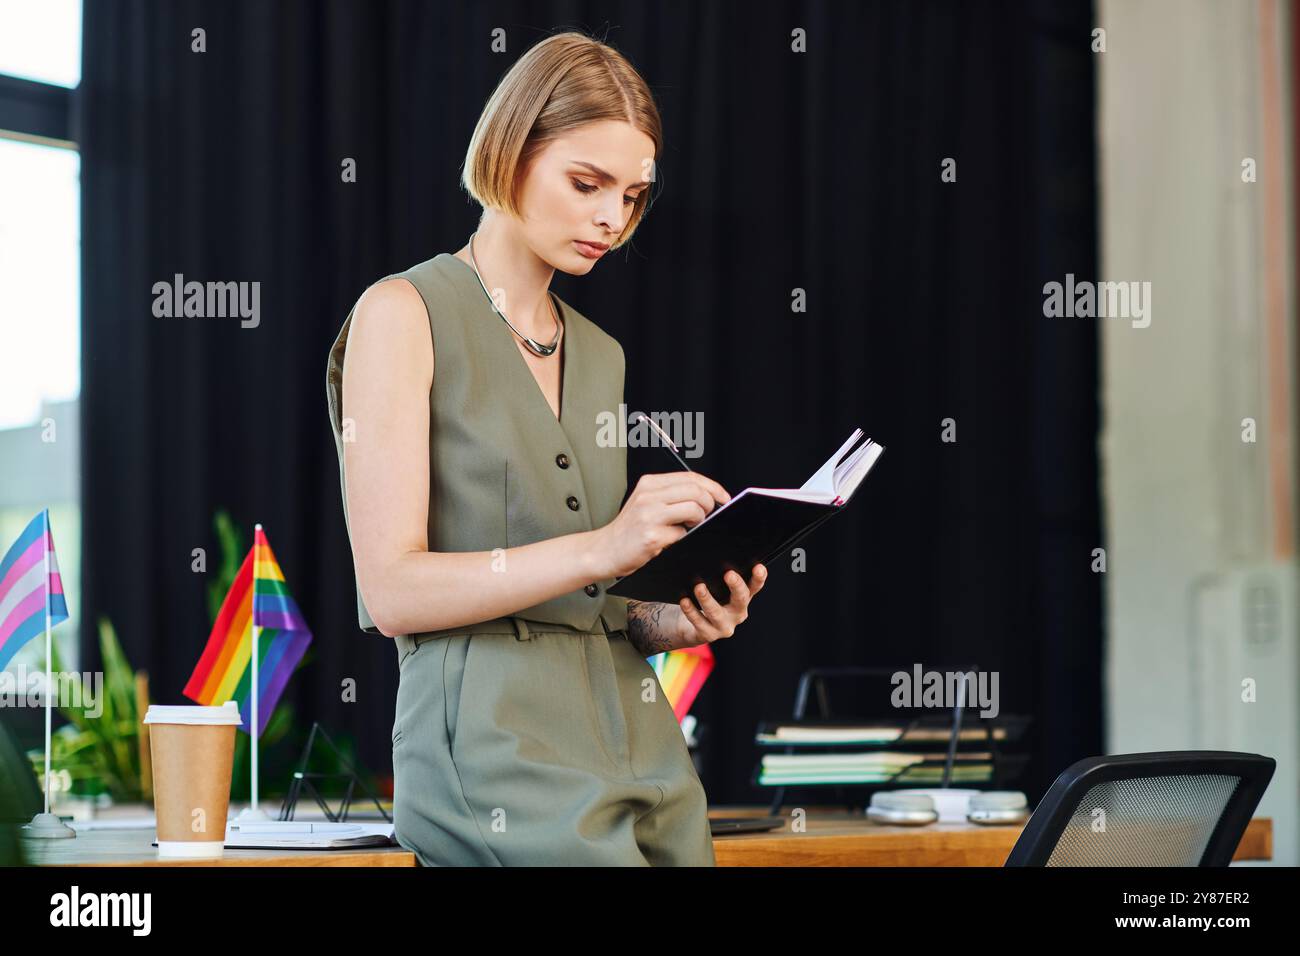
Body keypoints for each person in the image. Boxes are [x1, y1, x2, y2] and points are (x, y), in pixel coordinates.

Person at [325, 30, 767, 866]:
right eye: (586, 183)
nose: (611, 217)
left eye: (633, 196)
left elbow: (583, 599)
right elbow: (392, 593)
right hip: (489, 750)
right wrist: (606, 544)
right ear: (507, 153)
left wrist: (669, 619)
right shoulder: (403, 312)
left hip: (636, 735)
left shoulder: (601, 354)